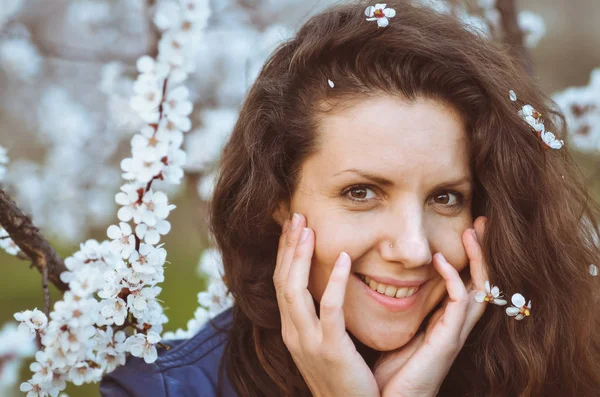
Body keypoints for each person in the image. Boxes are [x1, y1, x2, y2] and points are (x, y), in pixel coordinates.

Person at [100, 0, 600, 396]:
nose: (413, 249)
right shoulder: (164, 391)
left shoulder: (567, 362)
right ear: (277, 199)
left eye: (446, 197)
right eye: (361, 192)